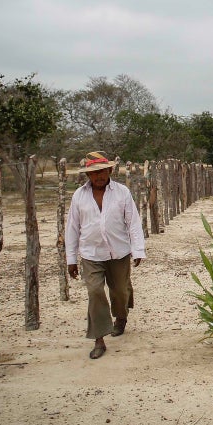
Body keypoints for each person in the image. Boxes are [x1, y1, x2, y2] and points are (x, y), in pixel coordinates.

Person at [65, 151, 145, 359]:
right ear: (87, 176)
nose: (98, 176)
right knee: (94, 292)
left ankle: (121, 317)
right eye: (93, 173)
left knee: (119, 289)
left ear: (110, 170)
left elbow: (133, 223)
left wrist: (138, 250)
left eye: (102, 171)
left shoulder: (122, 192)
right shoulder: (79, 196)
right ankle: (99, 338)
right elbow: (72, 228)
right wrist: (71, 259)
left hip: (119, 251)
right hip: (91, 253)